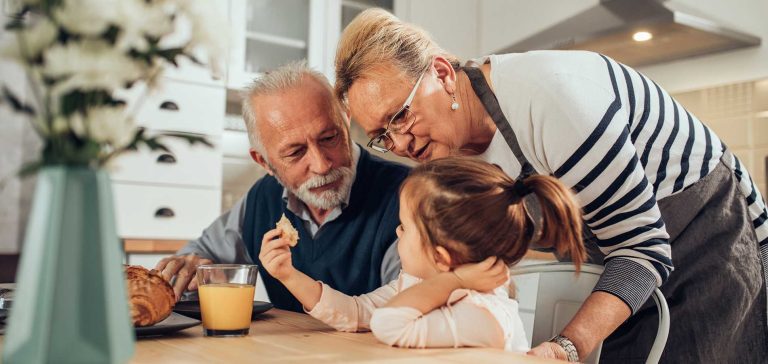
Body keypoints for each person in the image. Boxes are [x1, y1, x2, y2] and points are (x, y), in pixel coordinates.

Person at [331, 8, 768, 363]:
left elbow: (641, 250)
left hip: (701, 233)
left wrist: (566, 346)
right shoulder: (441, 151)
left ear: (442, 74)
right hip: (620, 265)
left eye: (401, 115)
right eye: (381, 136)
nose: (400, 143)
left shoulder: (550, 99)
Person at [154, 61, 410, 313]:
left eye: (330, 138)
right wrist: (191, 267)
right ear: (264, 161)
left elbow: (400, 311)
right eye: (295, 152)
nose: (321, 165)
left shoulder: (409, 195)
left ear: (346, 118)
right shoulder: (263, 197)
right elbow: (201, 254)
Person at [259, 157, 585, 351]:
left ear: (442, 257)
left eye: (404, 226)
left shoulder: (484, 313)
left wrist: (452, 281)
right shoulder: (419, 284)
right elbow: (357, 313)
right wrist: (288, 274)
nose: (397, 233)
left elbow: (389, 324)